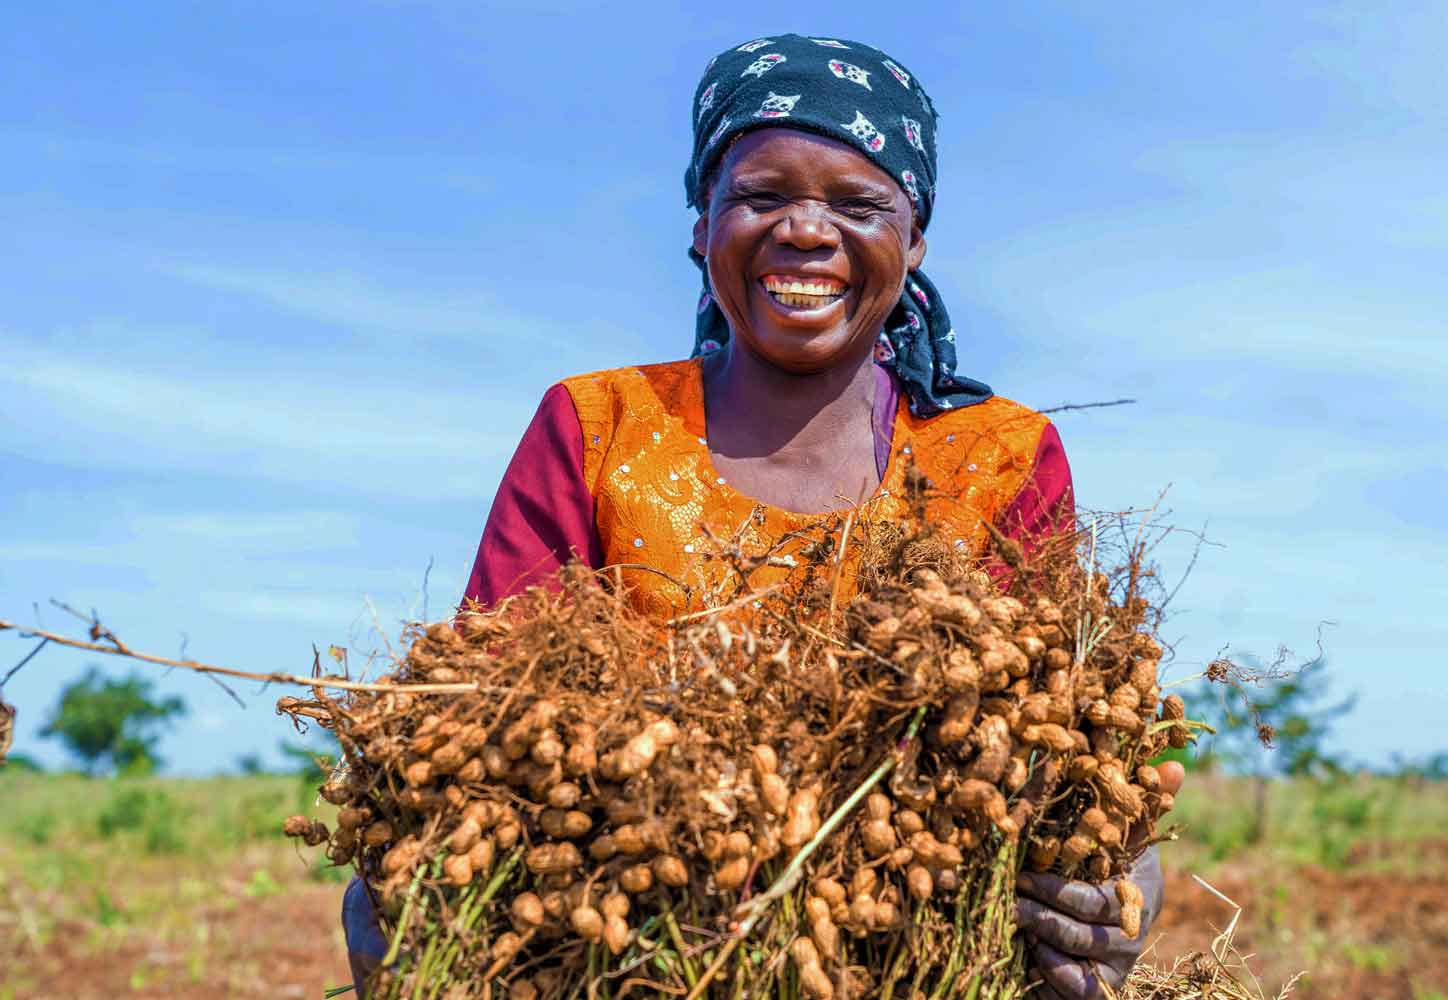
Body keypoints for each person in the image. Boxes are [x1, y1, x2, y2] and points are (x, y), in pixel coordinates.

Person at [344, 33, 1184, 1000]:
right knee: (381, 910)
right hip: (636, 949)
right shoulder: (598, 425)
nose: (806, 231)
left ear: (913, 242)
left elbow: (1066, 739)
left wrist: (1118, 878)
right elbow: (484, 715)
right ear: (702, 223)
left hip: (910, 953)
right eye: (761, 195)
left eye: (859, 204)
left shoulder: (998, 456)